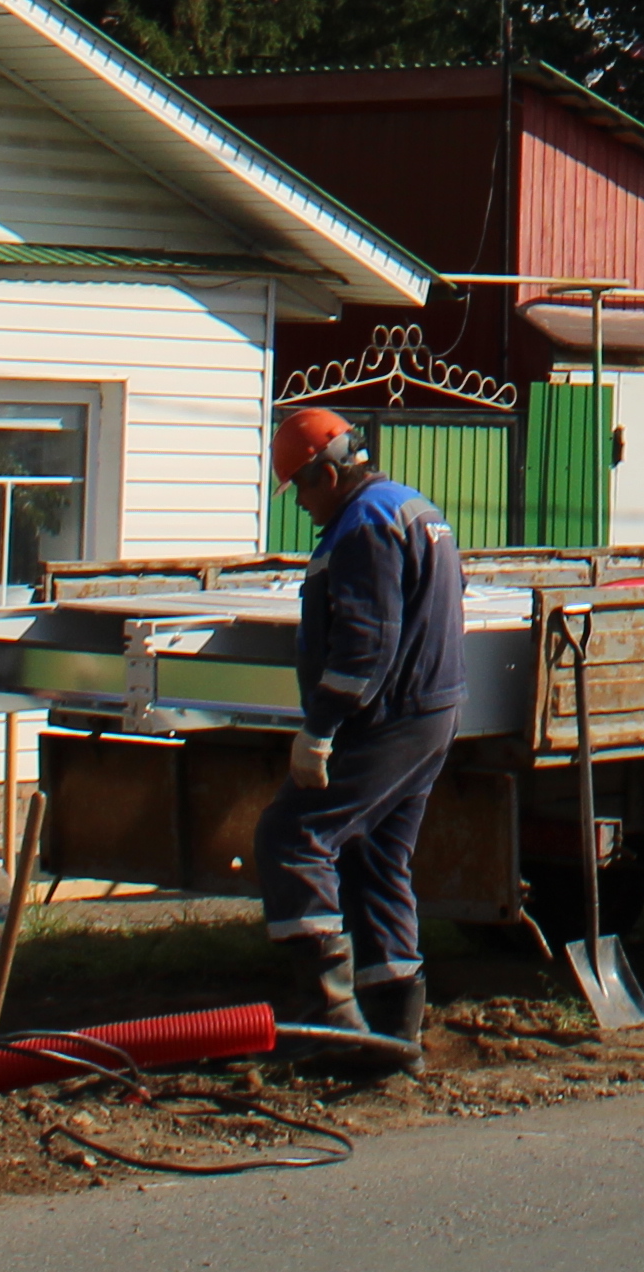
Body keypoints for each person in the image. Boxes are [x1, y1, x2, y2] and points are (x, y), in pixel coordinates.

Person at [253, 403, 464, 1063]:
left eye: (302, 490)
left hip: (389, 717)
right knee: (375, 861)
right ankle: (395, 1031)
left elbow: (366, 645)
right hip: (427, 712)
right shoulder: (411, 507)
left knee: (291, 837)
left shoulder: (362, 525)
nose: (303, 508)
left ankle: (332, 1020)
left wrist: (319, 729)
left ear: (327, 472)